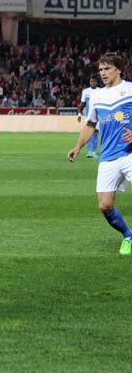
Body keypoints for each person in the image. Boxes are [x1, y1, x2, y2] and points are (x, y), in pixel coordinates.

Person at [69, 53, 132, 255]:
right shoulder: (97, 96)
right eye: (101, 69)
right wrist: (78, 146)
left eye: (107, 69)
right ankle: (128, 235)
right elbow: (90, 124)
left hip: (129, 154)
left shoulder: (130, 89)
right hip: (107, 156)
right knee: (105, 206)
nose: (103, 73)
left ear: (119, 69)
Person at [78, 76, 100, 158]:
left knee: (95, 134)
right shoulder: (86, 91)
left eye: (94, 81)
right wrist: (79, 114)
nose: (92, 83)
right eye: (91, 81)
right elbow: (82, 104)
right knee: (88, 133)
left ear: (97, 82)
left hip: (98, 116)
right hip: (89, 116)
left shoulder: (100, 91)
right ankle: (89, 152)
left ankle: (93, 152)